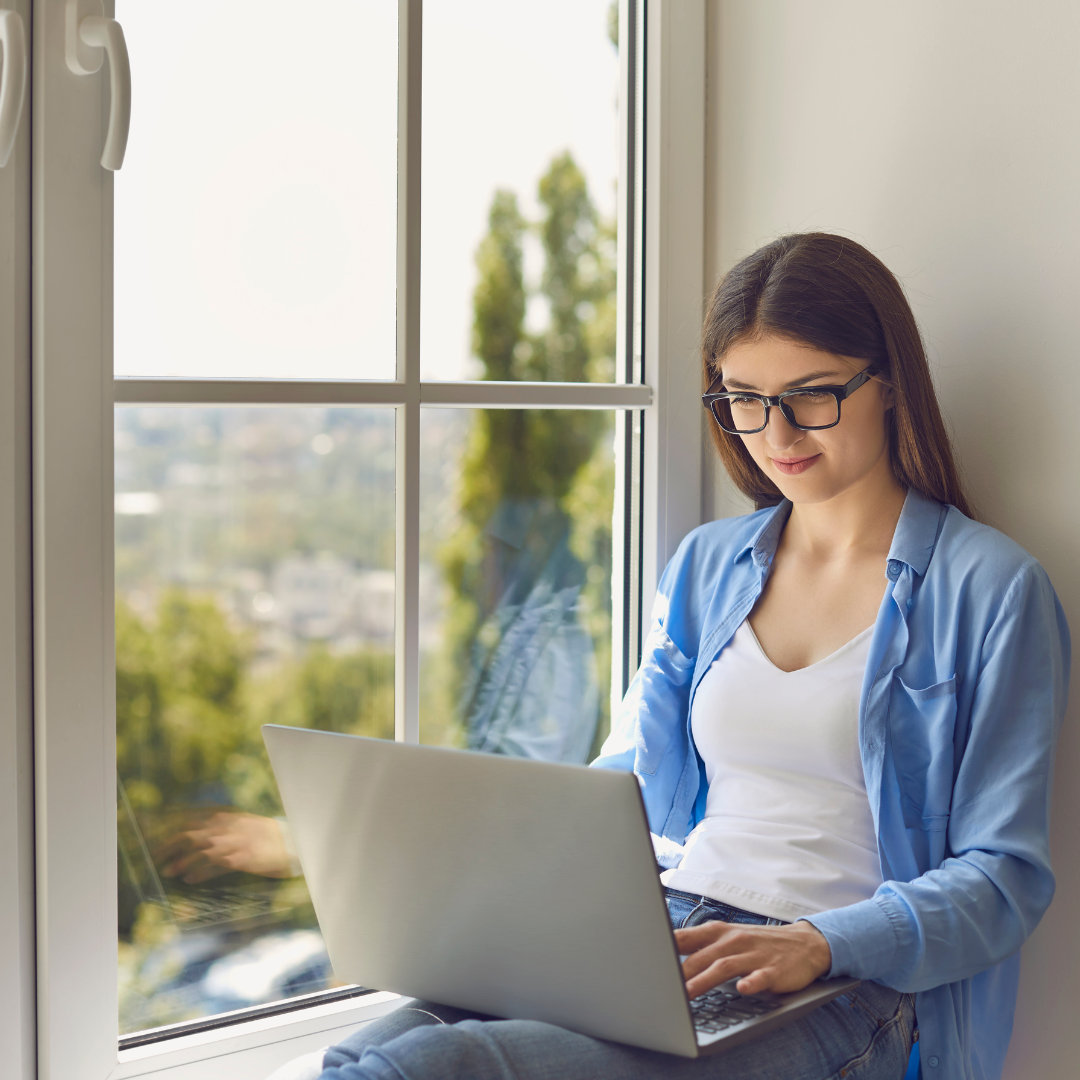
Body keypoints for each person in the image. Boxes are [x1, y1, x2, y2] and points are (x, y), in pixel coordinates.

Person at [275, 233, 1068, 1080]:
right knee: (372, 1050)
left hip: (846, 985)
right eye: (744, 398)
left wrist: (819, 943)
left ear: (887, 385)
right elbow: (630, 783)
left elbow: (1004, 878)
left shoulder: (991, 589)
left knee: (433, 1071)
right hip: (665, 931)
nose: (776, 433)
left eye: (812, 396)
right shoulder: (709, 565)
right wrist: (501, 877)